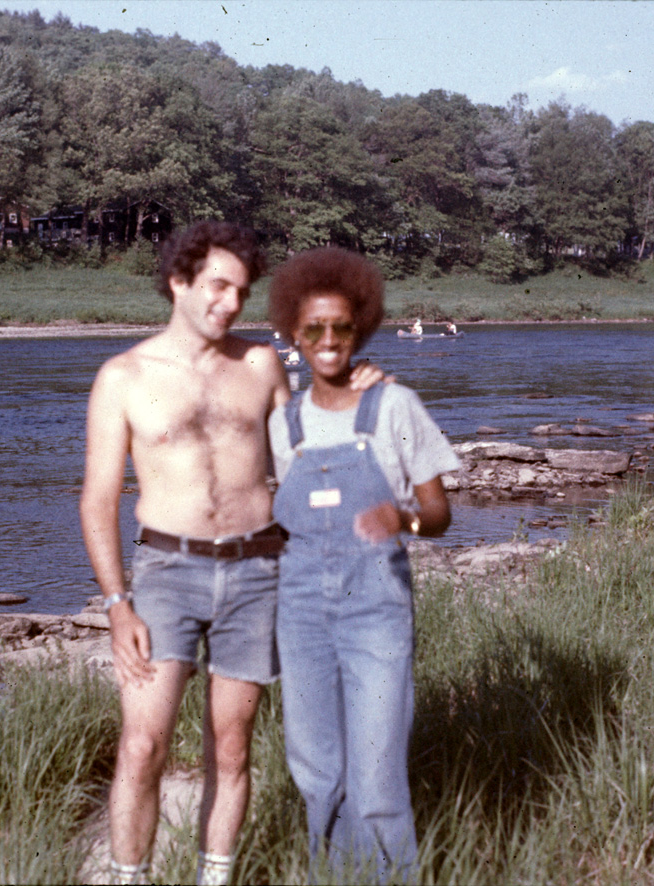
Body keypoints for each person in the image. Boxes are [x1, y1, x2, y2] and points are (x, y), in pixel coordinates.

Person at [79, 221, 379, 885]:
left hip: (258, 573)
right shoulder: (123, 377)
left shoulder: (262, 365)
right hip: (165, 574)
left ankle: (215, 878)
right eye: (217, 285)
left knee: (232, 744)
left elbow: (302, 467)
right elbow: (97, 502)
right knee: (142, 743)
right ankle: (130, 877)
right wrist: (118, 604)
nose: (229, 303)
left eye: (240, 291)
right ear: (179, 283)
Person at [267, 247, 459, 883]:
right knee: (316, 770)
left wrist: (396, 520)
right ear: (294, 335)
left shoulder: (395, 406)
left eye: (341, 327)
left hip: (376, 608)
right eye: (313, 328)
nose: (327, 340)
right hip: (299, 611)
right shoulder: (281, 424)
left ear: (360, 331)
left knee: (376, 775)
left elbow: (438, 514)